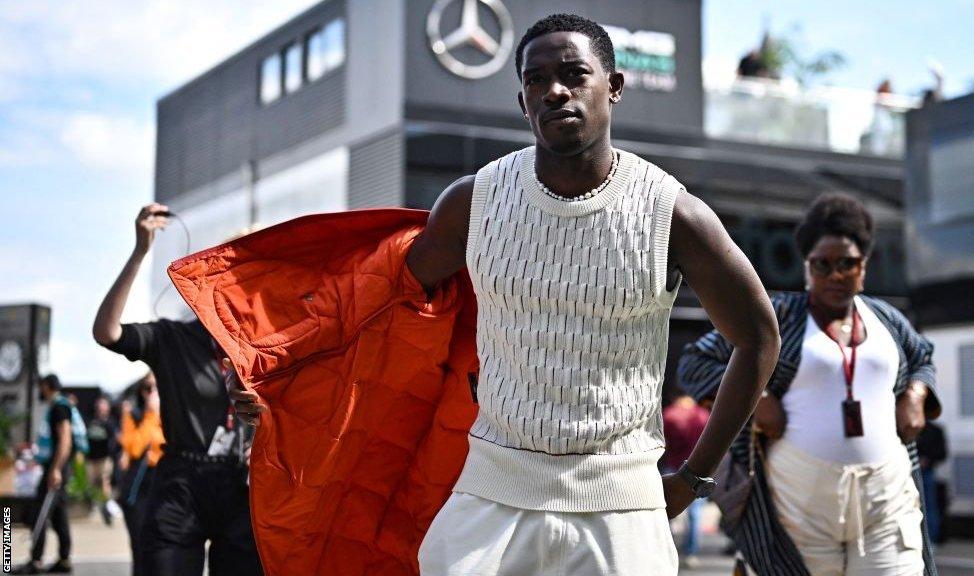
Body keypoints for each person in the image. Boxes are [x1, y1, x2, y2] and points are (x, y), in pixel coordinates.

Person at [230, 13, 780, 576]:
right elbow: (374, 303)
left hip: (620, 503)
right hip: (492, 492)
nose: (554, 91)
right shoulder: (475, 201)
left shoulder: (673, 213)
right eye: (536, 79)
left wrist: (694, 478)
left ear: (613, 87)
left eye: (573, 74)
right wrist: (274, 371)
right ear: (522, 101)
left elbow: (759, 337)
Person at [679, 193, 942, 576]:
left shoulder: (888, 318)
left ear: (863, 268)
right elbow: (696, 360)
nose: (836, 274)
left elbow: (922, 357)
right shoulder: (780, 316)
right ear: (807, 268)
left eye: (847, 264)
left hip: (886, 496)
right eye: (823, 265)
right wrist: (758, 398)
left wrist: (918, 393)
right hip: (798, 499)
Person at [93, 204, 262, 576]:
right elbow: (107, 332)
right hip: (181, 486)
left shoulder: (265, 347)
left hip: (242, 487)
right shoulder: (174, 337)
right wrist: (140, 251)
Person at [13, 375, 75, 574]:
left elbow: (65, 440)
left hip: (56, 467)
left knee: (39, 512)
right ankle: (64, 559)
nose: (40, 390)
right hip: (59, 467)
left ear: (47, 387)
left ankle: (36, 560)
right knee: (59, 515)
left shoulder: (59, 408)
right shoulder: (59, 406)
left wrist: (55, 469)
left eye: (41, 386)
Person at [118, 372, 165, 576]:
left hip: (163, 482)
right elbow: (135, 448)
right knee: (140, 545)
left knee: (161, 546)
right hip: (139, 487)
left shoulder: (171, 414)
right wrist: (150, 415)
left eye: (156, 387)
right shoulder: (135, 415)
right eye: (148, 388)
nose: (152, 393)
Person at [662, 393, 710, 569]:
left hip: (673, 466)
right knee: (695, 514)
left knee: (665, 511)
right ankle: (691, 552)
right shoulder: (703, 416)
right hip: (698, 469)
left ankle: (666, 548)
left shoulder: (669, 414)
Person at [86, 395, 118, 525]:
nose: (101, 408)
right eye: (99, 406)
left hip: (105, 458)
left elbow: (114, 440)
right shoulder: (91, 421)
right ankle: (98, 505)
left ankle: (107, 506)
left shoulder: (110, 423)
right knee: (93, 484)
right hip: (92, 458)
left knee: (104, 481)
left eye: (103, 406)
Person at [916, 421, 947, 543]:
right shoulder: (911, 428)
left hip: (926, 472)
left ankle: (931, 538)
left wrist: (927, 460)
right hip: (910, 471)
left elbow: (942, 453)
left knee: (929, 506)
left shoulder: (934, 430)